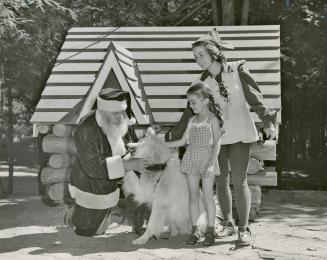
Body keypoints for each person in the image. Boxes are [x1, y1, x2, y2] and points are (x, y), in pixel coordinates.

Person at [169, 28, 277, 246]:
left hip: (241, 132)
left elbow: (255, 98)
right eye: (195, 57)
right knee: (220, 180)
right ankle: (227, 224)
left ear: (213, 53)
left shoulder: (237, 69)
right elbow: (190, 111)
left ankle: (244, 229)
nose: (198, 60)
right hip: (216, 137)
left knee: (240, 180)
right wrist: (173, 135)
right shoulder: (201, 82)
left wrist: (268, 120)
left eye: (200, 55)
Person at [65, 88, 154, 236]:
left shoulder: (122, 118)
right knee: (89, 231)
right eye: (115, 113)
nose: (120, 118)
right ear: (103, 113)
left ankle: (141, 219)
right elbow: (92, 167)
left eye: (122, 112)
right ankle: (75, 215)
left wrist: (137, 149)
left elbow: (128, 144)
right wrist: (128, 165)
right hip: (93, 182)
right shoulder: (85, 129)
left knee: (138, 178)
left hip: (122, 165)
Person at [166, 83, 224, 246]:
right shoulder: (191, 120)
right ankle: (196, 230)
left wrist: (211, 164)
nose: (190, 106)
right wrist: (162, 144)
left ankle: (210, 232)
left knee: (207, 197)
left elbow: (217, 144)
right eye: (189, 103)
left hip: (207, 159)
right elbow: (183, 141)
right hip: (191, 158)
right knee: (193, 196)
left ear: (205, 100)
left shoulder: (212, 119)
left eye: (193, 102)